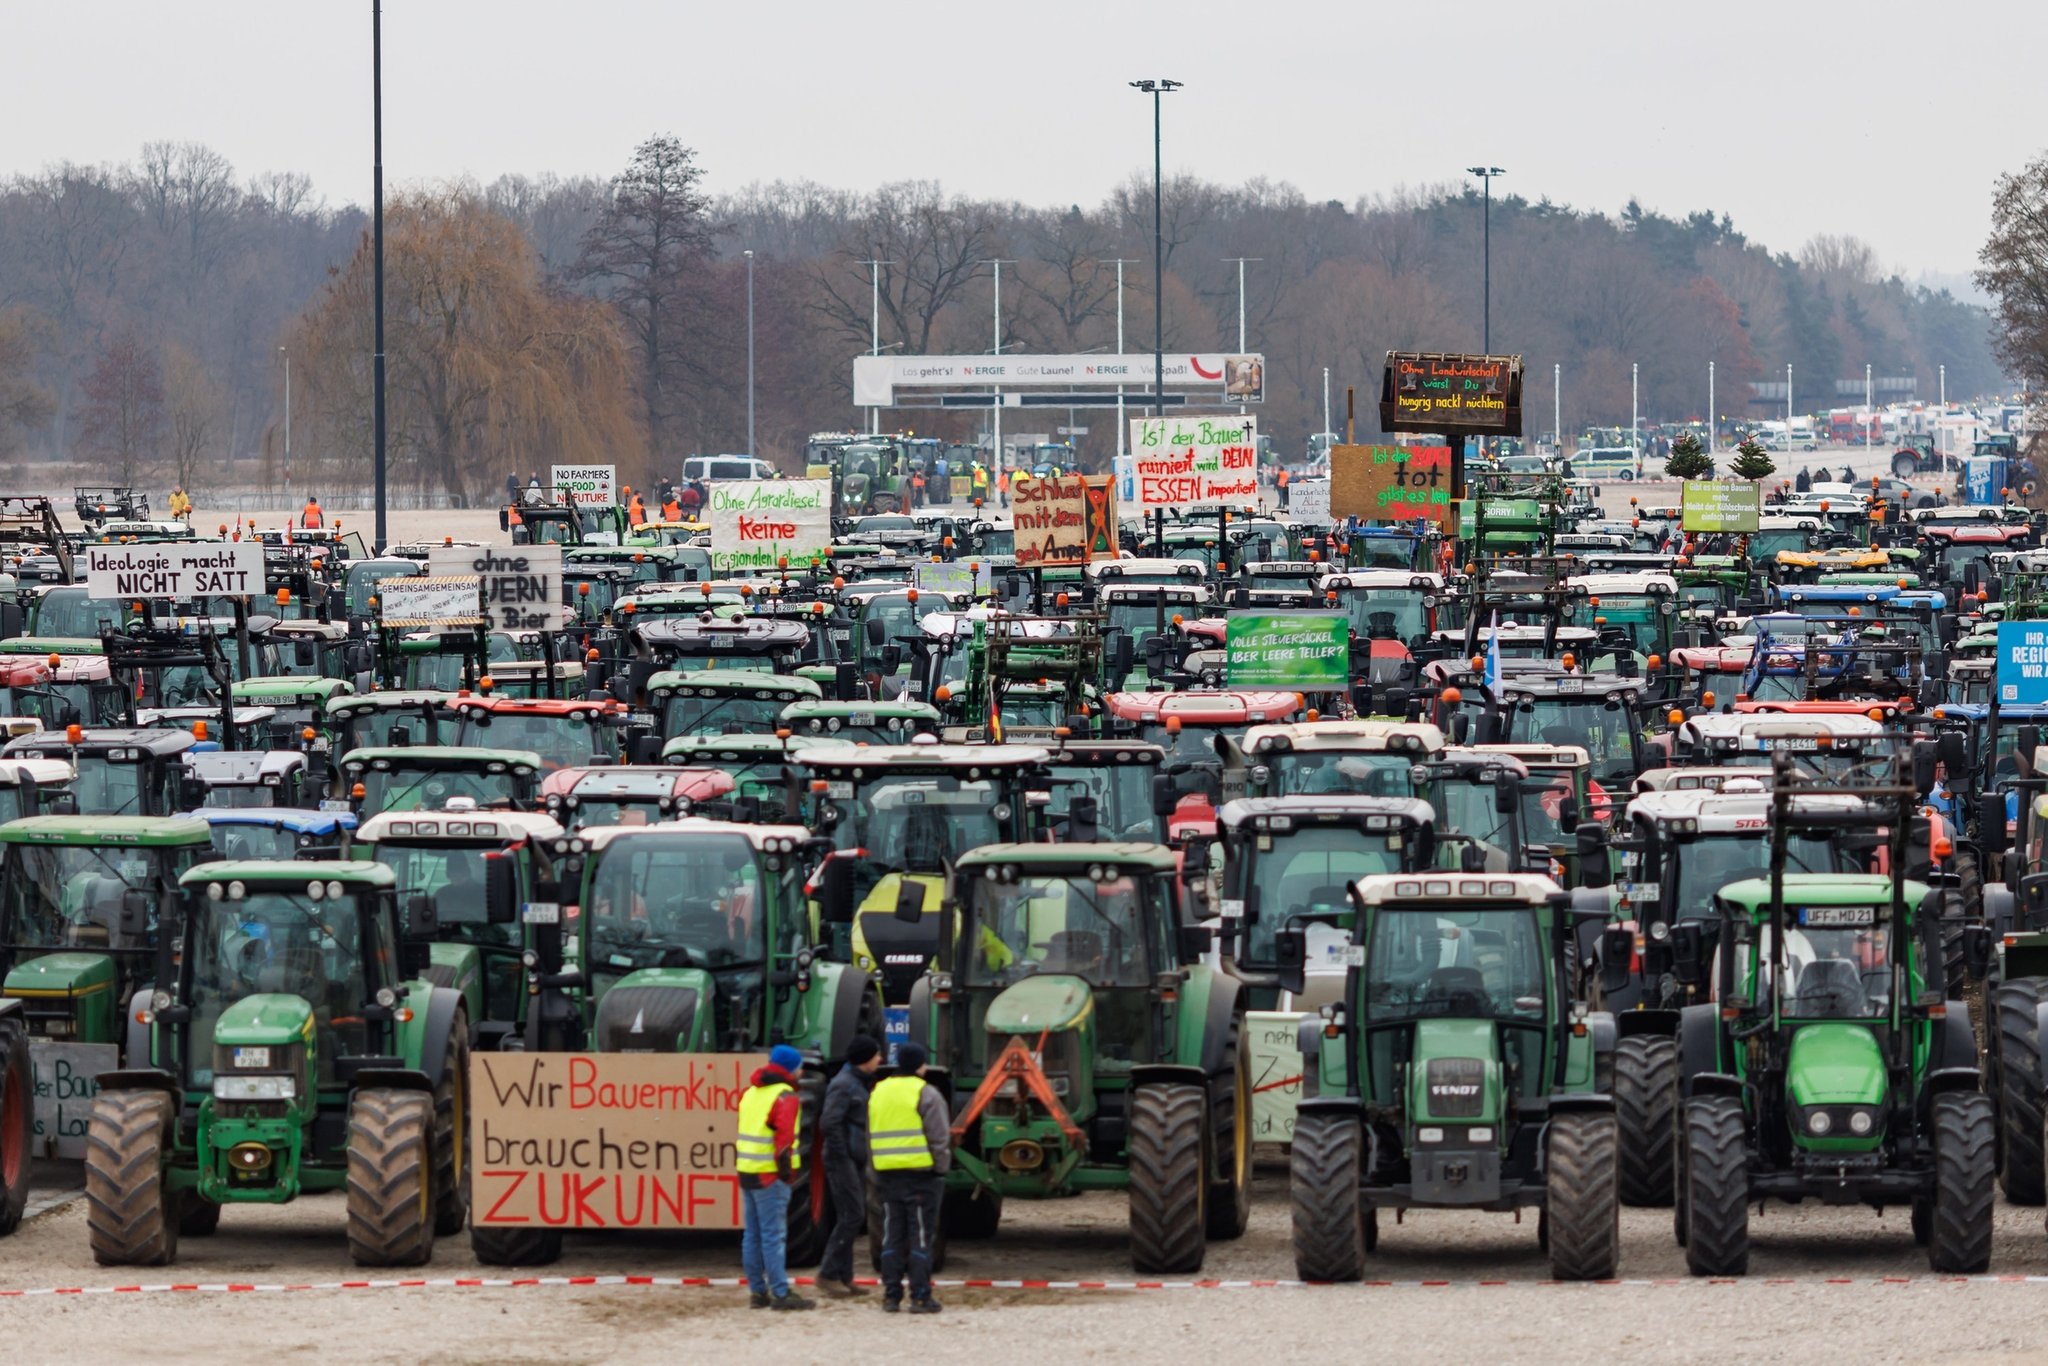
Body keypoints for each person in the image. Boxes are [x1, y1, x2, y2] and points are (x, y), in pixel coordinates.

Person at [868, 1041, 949, 1314]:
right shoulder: (926, 1093)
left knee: (892, 1236)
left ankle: (891, 1296)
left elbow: (870, 1134)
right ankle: (920, 1296)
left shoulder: (878, 1092)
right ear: (920, 1065)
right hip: (920, 1176)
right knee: (920, 1237)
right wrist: (941, 1168)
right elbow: (939, 1138)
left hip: (886, 1175)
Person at [737, 1043, 814, 1311]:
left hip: (747, 1170)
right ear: (791, 1068)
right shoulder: (785, 1096)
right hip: (770, 1176)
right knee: (773, 1235)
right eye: (799, 1066)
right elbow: (783, 1142)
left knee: (753, 1234)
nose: (802, 1070)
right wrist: (786, 1174)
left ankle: (757, 1292)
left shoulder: (750, 1094)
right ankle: (781, 1293)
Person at [815, 1036, 883, 1297]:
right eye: (876, 1055)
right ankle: (828, 1274)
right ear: (865, 1058)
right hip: (841, 1160)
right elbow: (829, 1122)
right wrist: (841, 1155)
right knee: (852, 1215)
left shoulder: (857, 1082)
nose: (880, 1059)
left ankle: (845, 1277)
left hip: (852, 1159)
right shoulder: (844, 1086)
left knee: (851, 1215)